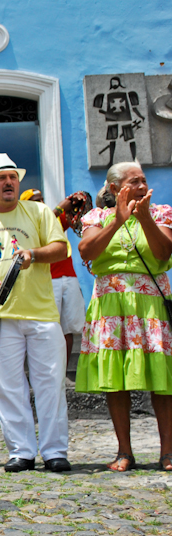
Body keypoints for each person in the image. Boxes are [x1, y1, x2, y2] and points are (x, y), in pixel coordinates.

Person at [0, 153, 71, 473]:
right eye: (2, 178)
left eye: (13, 177)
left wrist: (33, 254)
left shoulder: (38, 212)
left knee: (50, 382)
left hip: (41, 313)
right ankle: (21, 451)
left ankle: (54, 451)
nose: (9, 182)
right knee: (7, 386)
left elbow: (60, 248)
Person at [77, 161, 172, 472]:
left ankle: (168, 452)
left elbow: (163, 253)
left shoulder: (161, 213)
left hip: (150, 307)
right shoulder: (97, 217)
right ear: (115, 188)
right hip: (111, 309)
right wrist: (118, 221)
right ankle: (124, 452)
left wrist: (144, 220)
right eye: (135, 181)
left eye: (144, 180)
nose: (143, 186)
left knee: (162, 381)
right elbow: (87, 251)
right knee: (117, 380)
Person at [20, 189, 87, 385]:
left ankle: (62, 375)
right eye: (35, 201)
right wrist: (59, 208)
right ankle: (42, 375)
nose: (40, 203)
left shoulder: (53, 219)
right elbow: (40, 222)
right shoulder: (26, 223)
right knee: (48, 329)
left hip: (69, 276)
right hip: (47, 280)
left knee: (67, 329)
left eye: (42, 199)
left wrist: (77, 202)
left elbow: (77, 221)